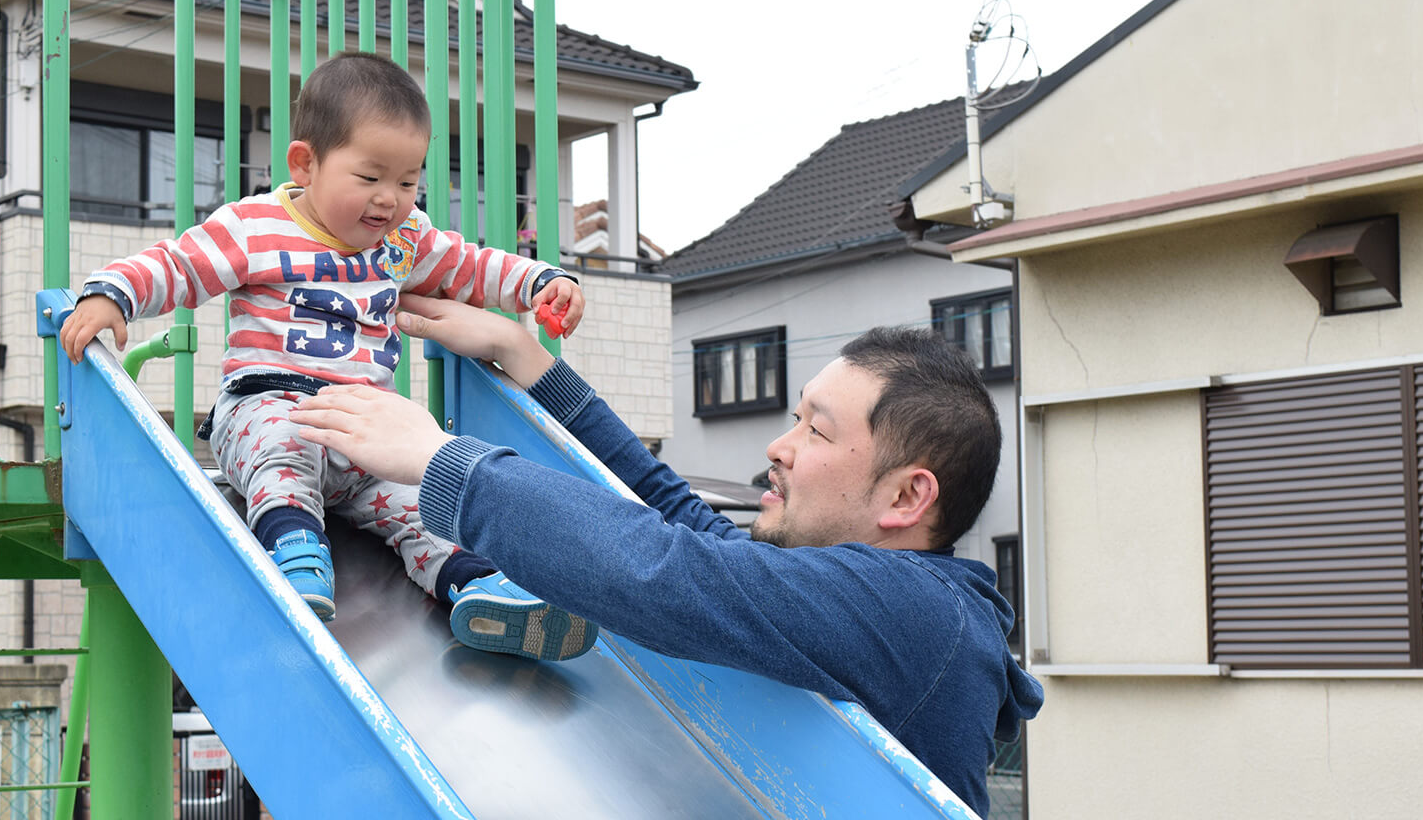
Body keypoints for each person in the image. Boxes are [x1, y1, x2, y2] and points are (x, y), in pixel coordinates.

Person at [290, 297, 1045, 816]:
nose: (778, 449)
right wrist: (531, 362)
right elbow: (682, 519)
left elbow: (668, 571)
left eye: (816, 432)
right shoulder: (867, 600)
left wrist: (442, 459)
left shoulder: (920, 615)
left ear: (907, 499)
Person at [57, 52, 597, 662]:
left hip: (364, 426)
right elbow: (177, 265)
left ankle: (475, 585)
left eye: (408, 180)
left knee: (423, 492)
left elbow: (468, 265)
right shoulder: (254, 227)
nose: (390, 199)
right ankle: (293, 554)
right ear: (305, 163)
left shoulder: (403, 239)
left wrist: (538, 282)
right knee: (281, 447)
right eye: (369, 178)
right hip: (267, 402)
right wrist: (112, 295)